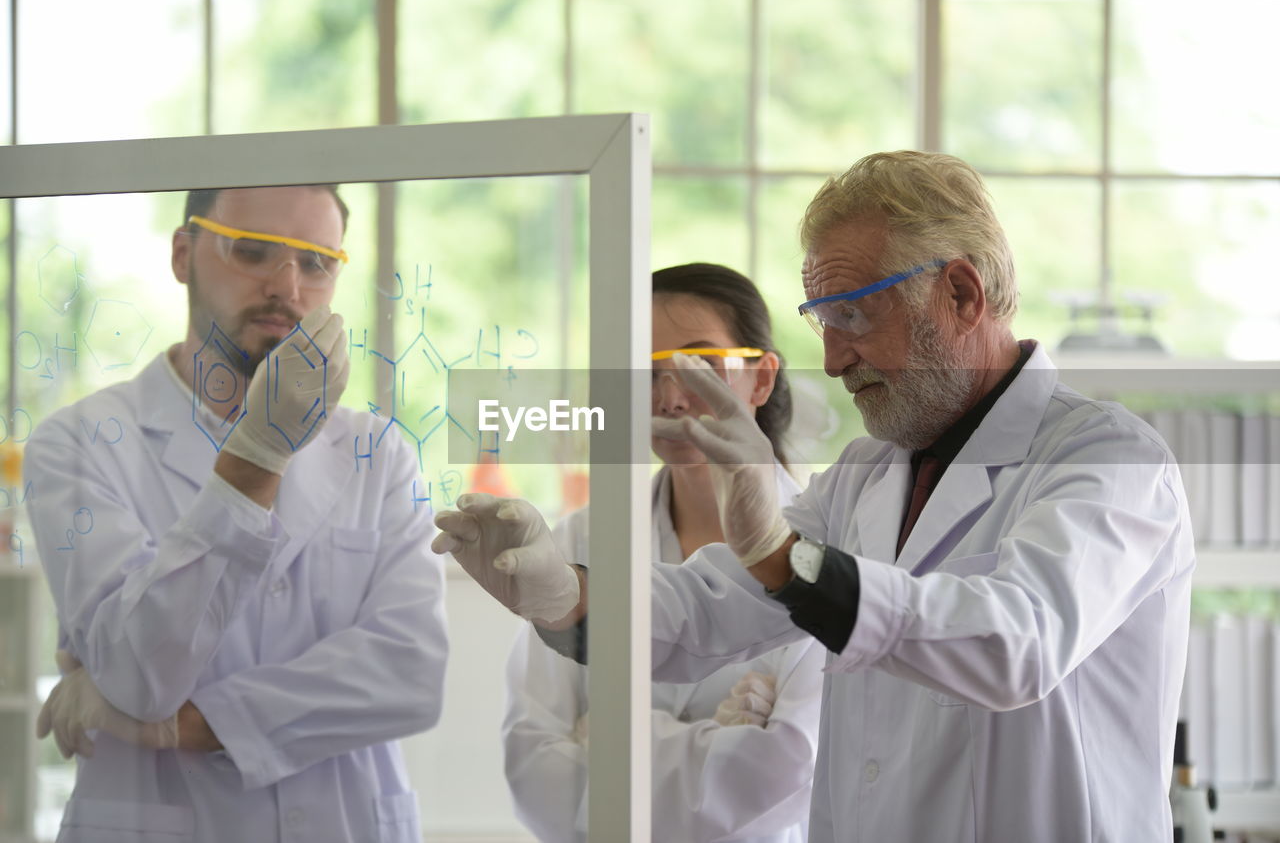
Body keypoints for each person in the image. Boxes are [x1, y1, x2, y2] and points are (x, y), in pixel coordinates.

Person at [432, 151, 1195, 842]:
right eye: (821, 323)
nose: (831, 360)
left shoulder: (1108, 460)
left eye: (853, 314)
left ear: (961, 292)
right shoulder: (866, 474)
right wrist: (566, 595)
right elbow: (709, 609)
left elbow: (1014, 644)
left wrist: (781, 556)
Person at [27, 185, 447, 843]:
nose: (287, 286)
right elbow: (140, 671)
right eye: (253, 252)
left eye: (315, 264)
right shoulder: (80, 443)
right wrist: (256, 457)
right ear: (182, 254)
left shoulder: (378, 452)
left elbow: (410, 675)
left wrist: (179, 724)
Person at [502, 263, 823, 843]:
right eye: (646, 372)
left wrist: (606, 738)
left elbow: (792, 768)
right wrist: (718, 746)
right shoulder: (579, 541)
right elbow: (530, 760)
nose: (672, 398)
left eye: (699, 364)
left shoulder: (822, 544)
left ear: (762, 378)